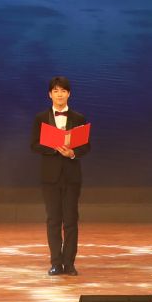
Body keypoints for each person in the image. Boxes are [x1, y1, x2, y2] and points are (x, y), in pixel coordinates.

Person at [32, 75, 90, 275]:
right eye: (55, 91)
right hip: (50, 177)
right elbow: (34, 144)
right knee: (53, 220)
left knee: (71, 221)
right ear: (50, 94)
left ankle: (69, 263)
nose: (59, 94)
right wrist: (54, 148)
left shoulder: (79, 118)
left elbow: (86, 146)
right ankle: (56, 263)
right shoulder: (41, 118)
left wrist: (72, 153)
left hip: (72, 177)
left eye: (63, 91)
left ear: (69, 94)